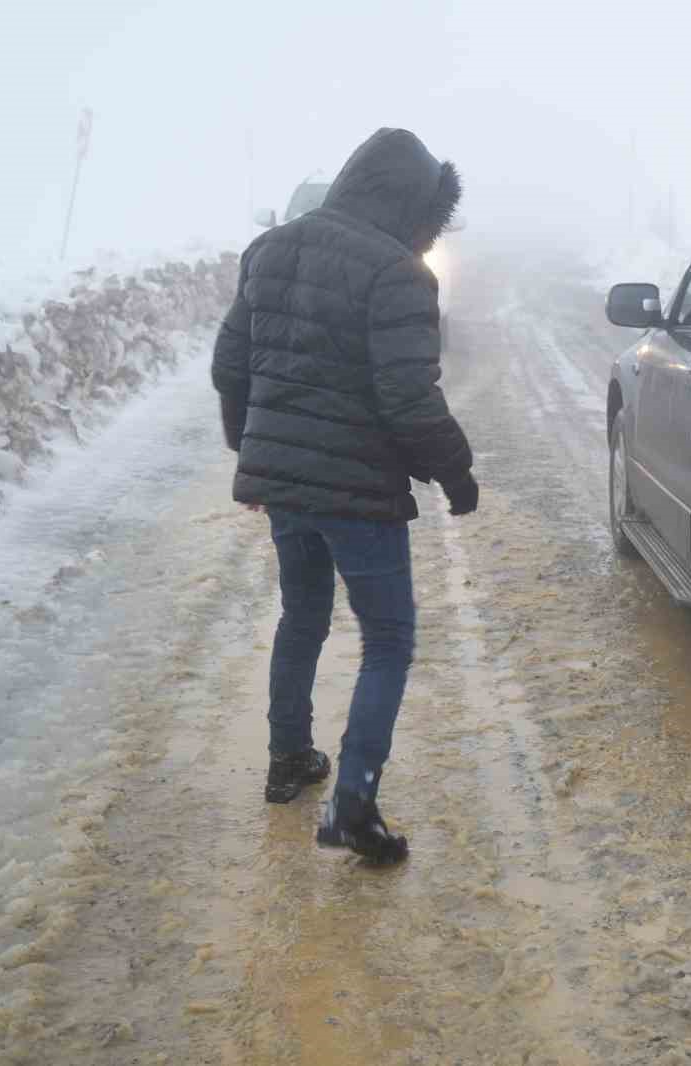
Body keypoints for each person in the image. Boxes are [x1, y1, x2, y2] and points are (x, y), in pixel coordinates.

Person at [211, 128, 478, 864]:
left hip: (289, 489)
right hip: (357, 494)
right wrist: (457, 476)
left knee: (302, 616)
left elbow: (230, 361)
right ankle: (353, 803)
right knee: (388, 640)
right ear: (410, 207)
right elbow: (408, 400)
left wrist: (253, 449)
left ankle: (288, 758)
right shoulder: (396, 272)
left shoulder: (271, 249)